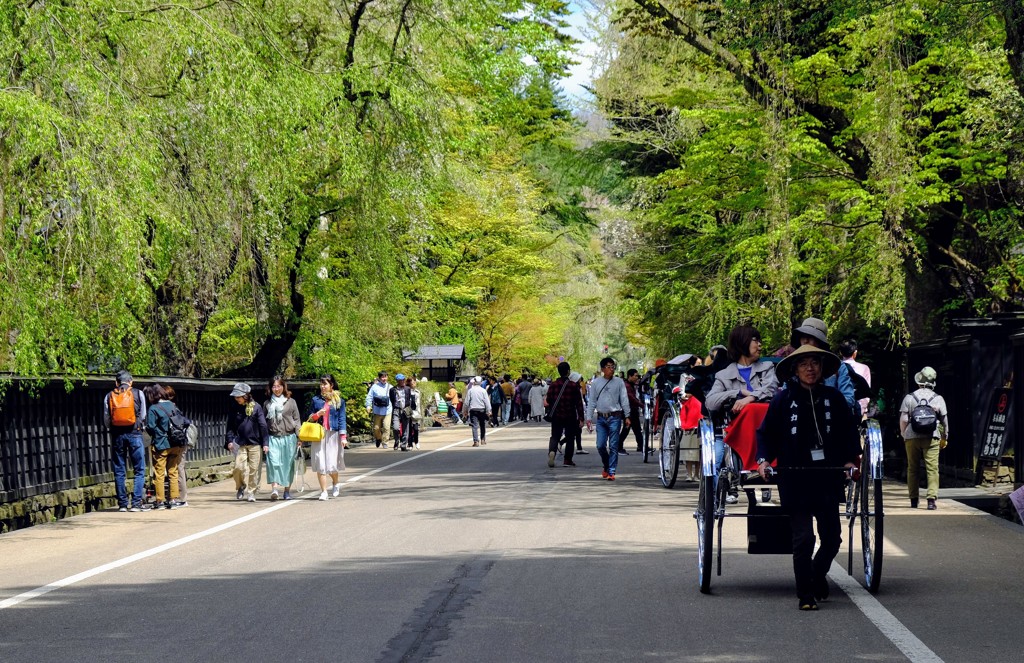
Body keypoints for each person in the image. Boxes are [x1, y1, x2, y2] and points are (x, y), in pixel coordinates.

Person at [755, 344, 861, 611]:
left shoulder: (833, 398)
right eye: (804, 364)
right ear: (795, 369)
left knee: (832, 538)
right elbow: (765, 433)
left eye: (814, 363)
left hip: (827, 477)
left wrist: (850, 460)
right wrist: (763, 460)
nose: (810, 368)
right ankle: (805, 594)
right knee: (803, 538)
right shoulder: (783, 398)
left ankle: (815, 575)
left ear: (822, 368)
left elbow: (849, 433)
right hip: (794, 477)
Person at [706, 325, 779, 503]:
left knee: (756, 408)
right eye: (756, 341)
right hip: (740, 425)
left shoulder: (767, 367)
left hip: (770, 421)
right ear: (742, 343)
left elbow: (772, 388)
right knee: (751, 410)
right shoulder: (724, 375)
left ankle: (770, 463)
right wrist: (737, 393)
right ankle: (753, 465)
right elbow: (710, 401)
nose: (760, 345)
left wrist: (751, 397)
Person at [899, 366, 949, 510]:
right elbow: (945, 420)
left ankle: (914, 500)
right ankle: (931, 500)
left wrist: (904, 434)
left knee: (912, 468)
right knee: (932, 469)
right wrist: (945, 436)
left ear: (919, 380)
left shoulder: (910, 397)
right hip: (932, 436)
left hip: (911, 436)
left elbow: (903, 418)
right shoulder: (938, 398)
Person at [104, 370, 150, 512]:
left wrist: (113, 427)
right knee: (139, 469)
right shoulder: (138, 393)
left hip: (117, 435)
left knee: (119, 470)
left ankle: (122, 504)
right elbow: (143, 415)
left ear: (116, 382)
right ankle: (136, 503)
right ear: (131, 381)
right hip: (135, 433)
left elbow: (106, 418)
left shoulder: (109, 396)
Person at [790, 317, 857, 415]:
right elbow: (786, 397)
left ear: (820, 341)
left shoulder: (838, 367)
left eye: (810, 336)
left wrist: (823, 405)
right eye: (803, 336)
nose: (805, 340)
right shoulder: (793, 365)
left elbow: (848, 400)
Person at [585, 357, 631, 481]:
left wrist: (627, 415)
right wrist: (588, 418)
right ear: (602, 369)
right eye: (609, 367)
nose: (612, 369)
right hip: (601, 418)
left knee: (613, 445)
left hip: (615, 417)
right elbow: (592, 401)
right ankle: (606, 465)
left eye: (613, 367)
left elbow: (624, 399)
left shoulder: (619, 382)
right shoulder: (596, 383)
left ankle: (611, 471)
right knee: (600, 445)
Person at [144, 384, 188, 509]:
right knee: (173, 471)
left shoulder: (153, 408)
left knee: (159, 473)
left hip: (161, 443)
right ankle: (173, 499)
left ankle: (160, 500)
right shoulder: (172, 405)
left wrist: (155, 433)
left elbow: (151, 427)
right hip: (176, 443)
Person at [226, 383, 269, 502]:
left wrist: (265, 443)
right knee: (238, 468)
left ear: (245, 396)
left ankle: (251, 492)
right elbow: (230, 426)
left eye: (238, 396)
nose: (236, 399)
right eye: (235, 397)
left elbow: (263, 426)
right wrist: (229, 440)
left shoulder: (256, 407)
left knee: (254, 469)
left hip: (255, 443)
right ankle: (241, 486)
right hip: (241, 443)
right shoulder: (234, 407)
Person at [308, 374, 348, 500]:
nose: (322, 387)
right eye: (321, 384)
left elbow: (342, 419)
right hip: (319, 434)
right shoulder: (316, 400)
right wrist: (317, 415)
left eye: (325, 384)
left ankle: (336, 482)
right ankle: (324, 491)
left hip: (333, 434)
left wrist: (343, 437)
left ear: (331, 385)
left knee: (331, 465)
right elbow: (309, 418)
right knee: (320, 463)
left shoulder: (339, 401)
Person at [263, 376, 301, 501]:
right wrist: (264, 440)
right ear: (271, 388)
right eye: (274, 386)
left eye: (279, 386)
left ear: (283, 387)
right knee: (273, 463)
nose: (276, 389)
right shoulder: (267, 403)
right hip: (273, 437)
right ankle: (274, 490)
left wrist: (299, 436)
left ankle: (287, 491)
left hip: (289, 437)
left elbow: (296, 420)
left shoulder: (291, 402)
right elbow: (264, 422)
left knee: (288, 465)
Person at [545, 362, 585, 467]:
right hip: (570, 415)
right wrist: (581, 418)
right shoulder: (573, 385)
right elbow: (578, 403)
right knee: (570, 437)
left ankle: (552, 451)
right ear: (568, 371)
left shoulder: (553, 385)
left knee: (555, 436)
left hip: (556, 415)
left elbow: (548, 400)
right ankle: (567, 460)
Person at [164, 385, 192, 508]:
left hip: (175, 442)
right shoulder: (175, 408)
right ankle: (180, 498)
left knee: (177, 469)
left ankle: (179, 498)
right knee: (178, 468)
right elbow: (186, 422)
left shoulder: (167, 408)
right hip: (181, 441)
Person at [839, 339, 872, 419]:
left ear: (840, 352)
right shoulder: (864, 368)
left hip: (838, 411)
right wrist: (861, 410)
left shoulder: (836, 367)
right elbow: (866, 393)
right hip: (859, 413)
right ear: (855, 353)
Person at [617, 369, 643, 454]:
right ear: (629, 376)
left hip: (632, 410)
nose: (637, 378)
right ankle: (619, 447)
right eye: (635, 376)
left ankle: (641, 446)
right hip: (629, 410)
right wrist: (641, 405)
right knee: (627, 429)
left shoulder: (631, 385)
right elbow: (631, 398)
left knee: (636, 429)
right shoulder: (627, 386)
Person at [365, 371, 392, 448]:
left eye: (385, 377)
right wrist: (368, 406)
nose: (384, 379)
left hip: (388, 410)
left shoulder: (390, 387)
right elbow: (369, 397)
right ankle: (378, 438)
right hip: (377, 410)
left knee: (386, 427)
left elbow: (394, 399)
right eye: (382, 377)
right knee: (376, 428)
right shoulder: (374, 387)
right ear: (379, 378)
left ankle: (385, 442)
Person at [463, 377, 491, 446]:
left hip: (473, 410)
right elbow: (487, 402)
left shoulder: (470, 391)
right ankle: (483, 440)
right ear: (481, 382)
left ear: (474, 382)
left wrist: (465, 411)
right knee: (482, 425)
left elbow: (466, 402)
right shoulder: (483, 391)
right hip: (482, 410)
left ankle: (476, 441)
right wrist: (488, 411)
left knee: (474, 426)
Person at [389, 373, 415, 451]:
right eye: (400, 380)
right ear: (397, 381)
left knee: (405, 428)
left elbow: (409, 399)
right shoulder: (392, 390)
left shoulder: (407, 389)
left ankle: (403, 445)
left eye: (403, 380)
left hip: (405, 409)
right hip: (396, 409)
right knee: (396, 427)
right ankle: (396, 441)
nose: (402, 381)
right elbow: (392, 399)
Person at [408, 376, 423, 449]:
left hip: (416, 412)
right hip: (408, 411)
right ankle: (410, 444)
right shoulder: (406, 391)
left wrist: (420, 413)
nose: (414, 384)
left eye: (414, 382)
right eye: (412, 382)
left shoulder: (418, 392)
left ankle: (416, 441)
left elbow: (419, 403)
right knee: (409, 429)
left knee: (416, 428)